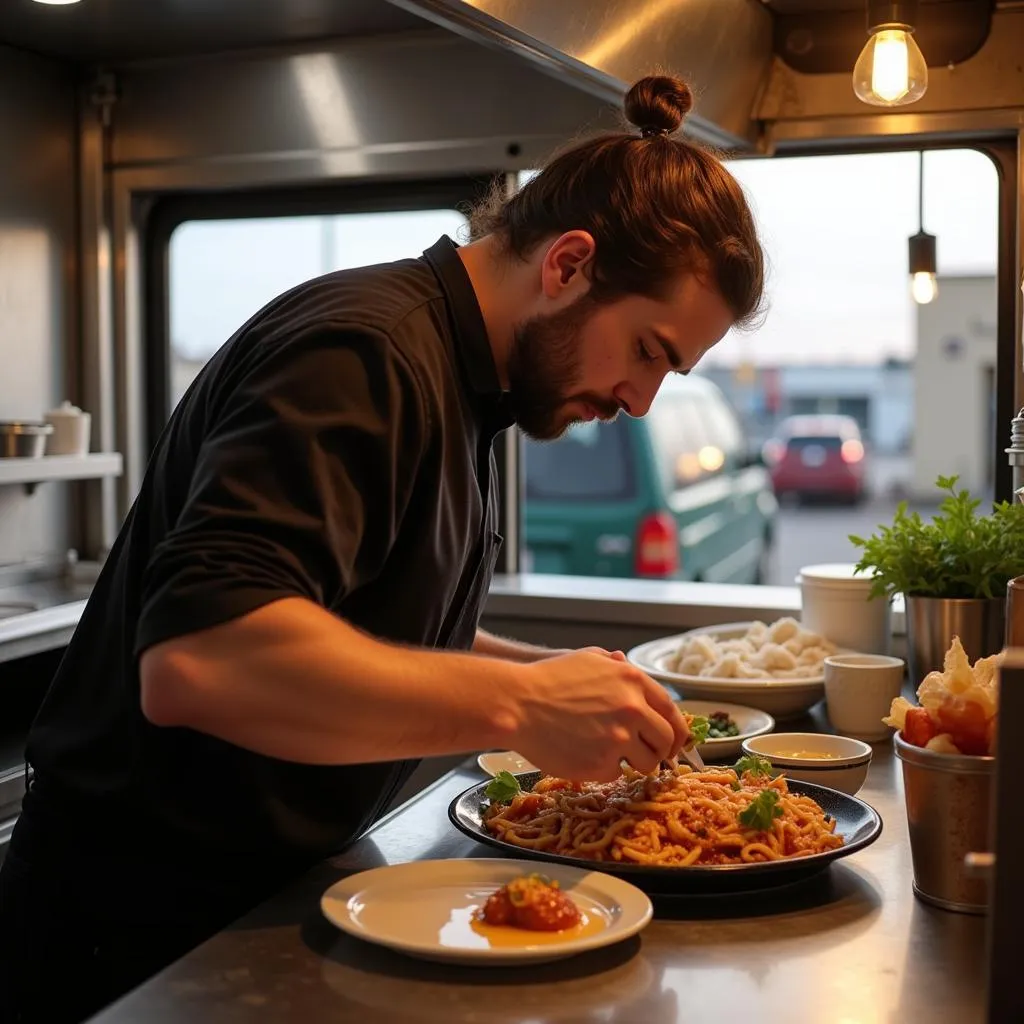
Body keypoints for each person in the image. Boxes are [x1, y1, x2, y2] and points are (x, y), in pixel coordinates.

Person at [0, 74, 764, 1022]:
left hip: (261, 897)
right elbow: (201, 658)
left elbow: (360, 621)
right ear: (568, 263)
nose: (640, 402)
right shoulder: (362, 355)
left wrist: (572, 682)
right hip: (132, 927)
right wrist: (526, 703)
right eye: (648, 351)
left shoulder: (470, 390)